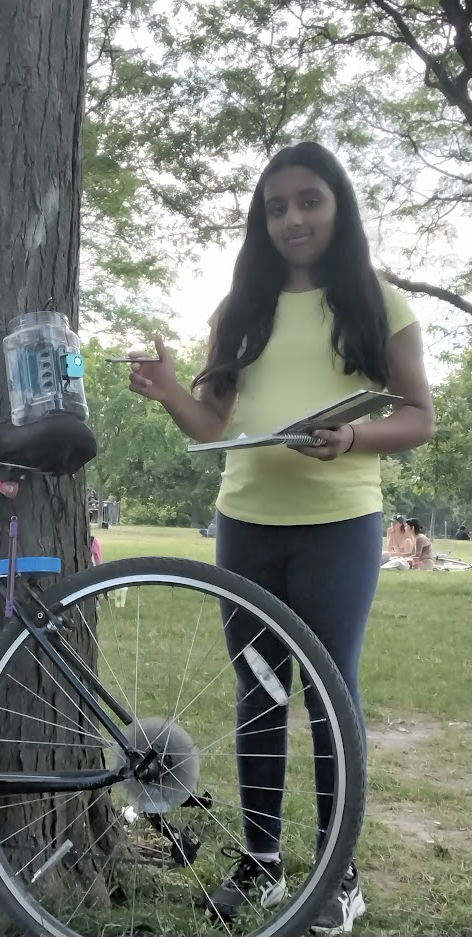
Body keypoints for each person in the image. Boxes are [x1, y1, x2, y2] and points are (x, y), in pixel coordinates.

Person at [128, 142, 434, 935]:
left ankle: (339, 872)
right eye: (275, 208)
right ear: (260, 221)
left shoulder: (376, 301)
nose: (292, 219)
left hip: (338, 525)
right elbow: (212, 423)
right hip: (245, 523)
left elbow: (417, 417)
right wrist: (167, 389)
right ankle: (260, 861)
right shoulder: (238, 308)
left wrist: (351, 438)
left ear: (337, 207)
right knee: (259, 691)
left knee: (330, 695)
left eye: (308, 201)